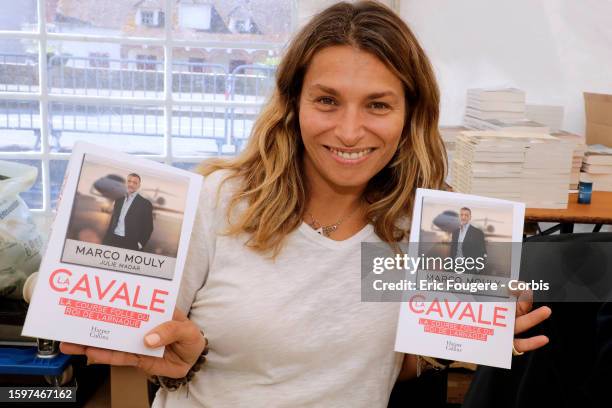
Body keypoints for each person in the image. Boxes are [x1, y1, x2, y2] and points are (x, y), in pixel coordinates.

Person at [61, 2, 552, 407]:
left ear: (410, 114)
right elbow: (154, 351)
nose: (349, 131)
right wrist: (183, 358)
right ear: (293, 103)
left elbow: (387, 367)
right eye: (327, 101)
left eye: (378, 105)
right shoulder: (218, 203)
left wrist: (470, 334)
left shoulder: (417, 228)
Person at [102, 173, 154, 251]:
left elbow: (149, 227)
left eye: (135, 183)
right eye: (129, 181)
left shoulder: (145, 204)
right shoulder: (118, 201)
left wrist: (140, 244)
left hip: (130, 243)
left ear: (139, 185)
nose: (131, 184)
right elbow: (113, 221)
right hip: (112, 239)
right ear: (126, 183)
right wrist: (106, 239)